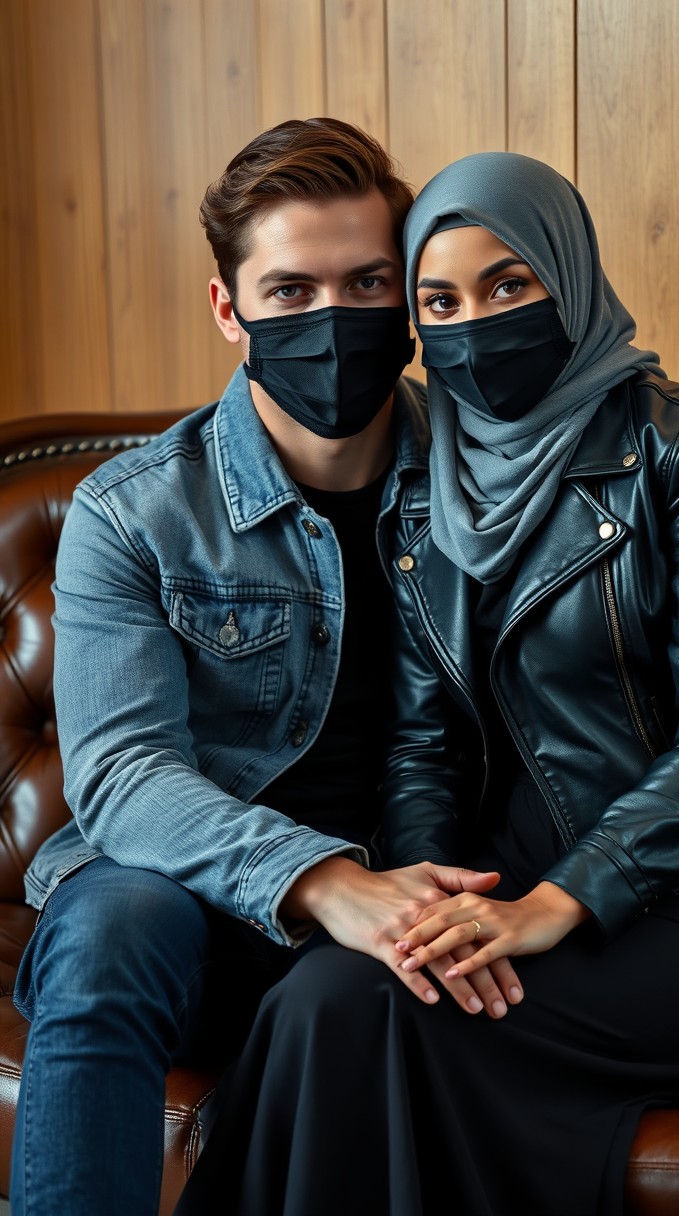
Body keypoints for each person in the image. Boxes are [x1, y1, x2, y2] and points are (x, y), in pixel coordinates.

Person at [173, 150, 679, 1216]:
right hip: (510, 873)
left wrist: (553, 905)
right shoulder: (430, 471)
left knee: (368, 1017)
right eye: (440, 301)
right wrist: (427, 893)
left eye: (508, 285)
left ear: (566, 278)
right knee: (328, 992)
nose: (474, 323)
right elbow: (421, 735)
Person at [9, 119, 521, 1216]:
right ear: (227, 311)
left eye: (367, 282)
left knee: (372, 990)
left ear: (410, 295)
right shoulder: (134, 509)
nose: (332, 321)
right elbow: (122, 775)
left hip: (408, 885)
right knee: (108, 927)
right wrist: (326, 882)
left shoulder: (492, 483)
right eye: (290, 291)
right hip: (182, 897)